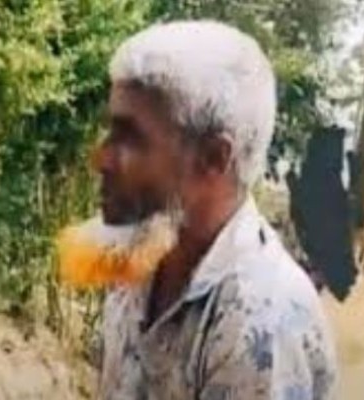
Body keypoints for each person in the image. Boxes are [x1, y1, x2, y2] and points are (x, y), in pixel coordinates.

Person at [93, 21, 337, 399]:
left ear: (213, 158)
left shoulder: (261, 323)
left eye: (131, 138)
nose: (102, 158)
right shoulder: (140, 262)